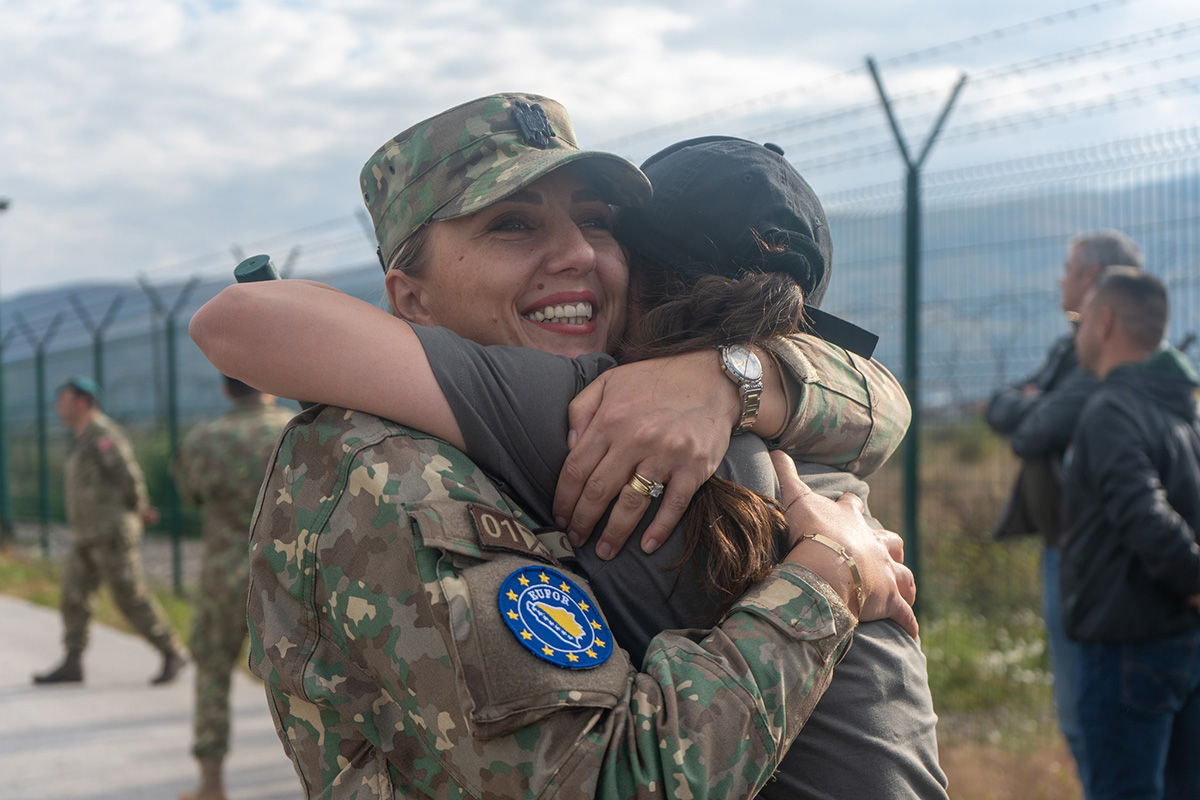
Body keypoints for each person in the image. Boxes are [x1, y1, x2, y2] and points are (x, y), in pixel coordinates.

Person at [192, 94, 921, 799]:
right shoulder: (389, 465)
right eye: (512, 224)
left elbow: (881, 398)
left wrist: (734, 377)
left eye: (597, 223)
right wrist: (831, 575)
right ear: (409, 299)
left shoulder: (631, 416)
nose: (575, 252)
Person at [984, 229, 1142, 785]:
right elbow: (1001, 409)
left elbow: (1034, 430)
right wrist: (1033, 409)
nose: (1061, 277)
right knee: (1079, 703)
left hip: (1089, 550)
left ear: (1095, 278)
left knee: (1092, 706)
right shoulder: (1068, 348)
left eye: (1071, 267)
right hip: (1062, 544)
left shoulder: (1106, 357)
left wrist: (1036, 408)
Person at [1062, 267, 1200, 800]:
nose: (1074, 331)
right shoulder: (1180, 411)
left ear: (1104, 322)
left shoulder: (1109, 410)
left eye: (1078, 318)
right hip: (1181, 642)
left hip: (1125, 647)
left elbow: (1145, 514)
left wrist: (1194, 577)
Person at [171, 376, 295, 800]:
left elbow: (190, 493)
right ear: (268, 384)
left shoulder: (205, 437)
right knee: (305, 678)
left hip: (223, 572)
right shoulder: (294, 428)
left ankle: (211, 783)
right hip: (284, 575)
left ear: (225, 390)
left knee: (212, 670)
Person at [33, 376, 187, 686]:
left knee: (129, 596)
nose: (58, 406)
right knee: (73, 596)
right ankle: (72, 661)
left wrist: (139, 508)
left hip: (110, 532)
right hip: (87, 534)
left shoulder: (103, 434)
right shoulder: (82, 437)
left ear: (81, 402)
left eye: (63, 399)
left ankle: (171, 650)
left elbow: (128, 475)